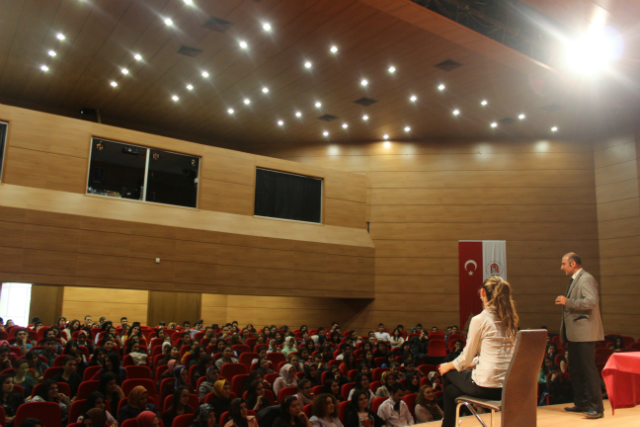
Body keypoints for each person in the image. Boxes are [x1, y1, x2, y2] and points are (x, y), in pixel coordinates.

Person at [438, 276, 518, 427]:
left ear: (482, 293)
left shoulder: (479, 320)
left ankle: (449, 423)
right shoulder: (510, 320)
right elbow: (492, 356)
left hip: (486, 387)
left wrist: (447, 366)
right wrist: (473, 364)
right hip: (508, 388)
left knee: (447, 372)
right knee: (450, 391)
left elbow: (465, 359)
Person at [555, 253, 605, 419]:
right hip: (575, 334)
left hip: (585, 333)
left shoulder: (586, 278)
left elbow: (591, 301)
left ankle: (596, 407)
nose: (562, 267)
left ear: (573, 263)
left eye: (564, 264)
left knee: (588, 370)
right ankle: (581, 402)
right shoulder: (576, 279)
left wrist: (567, 301)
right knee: (576, 370)